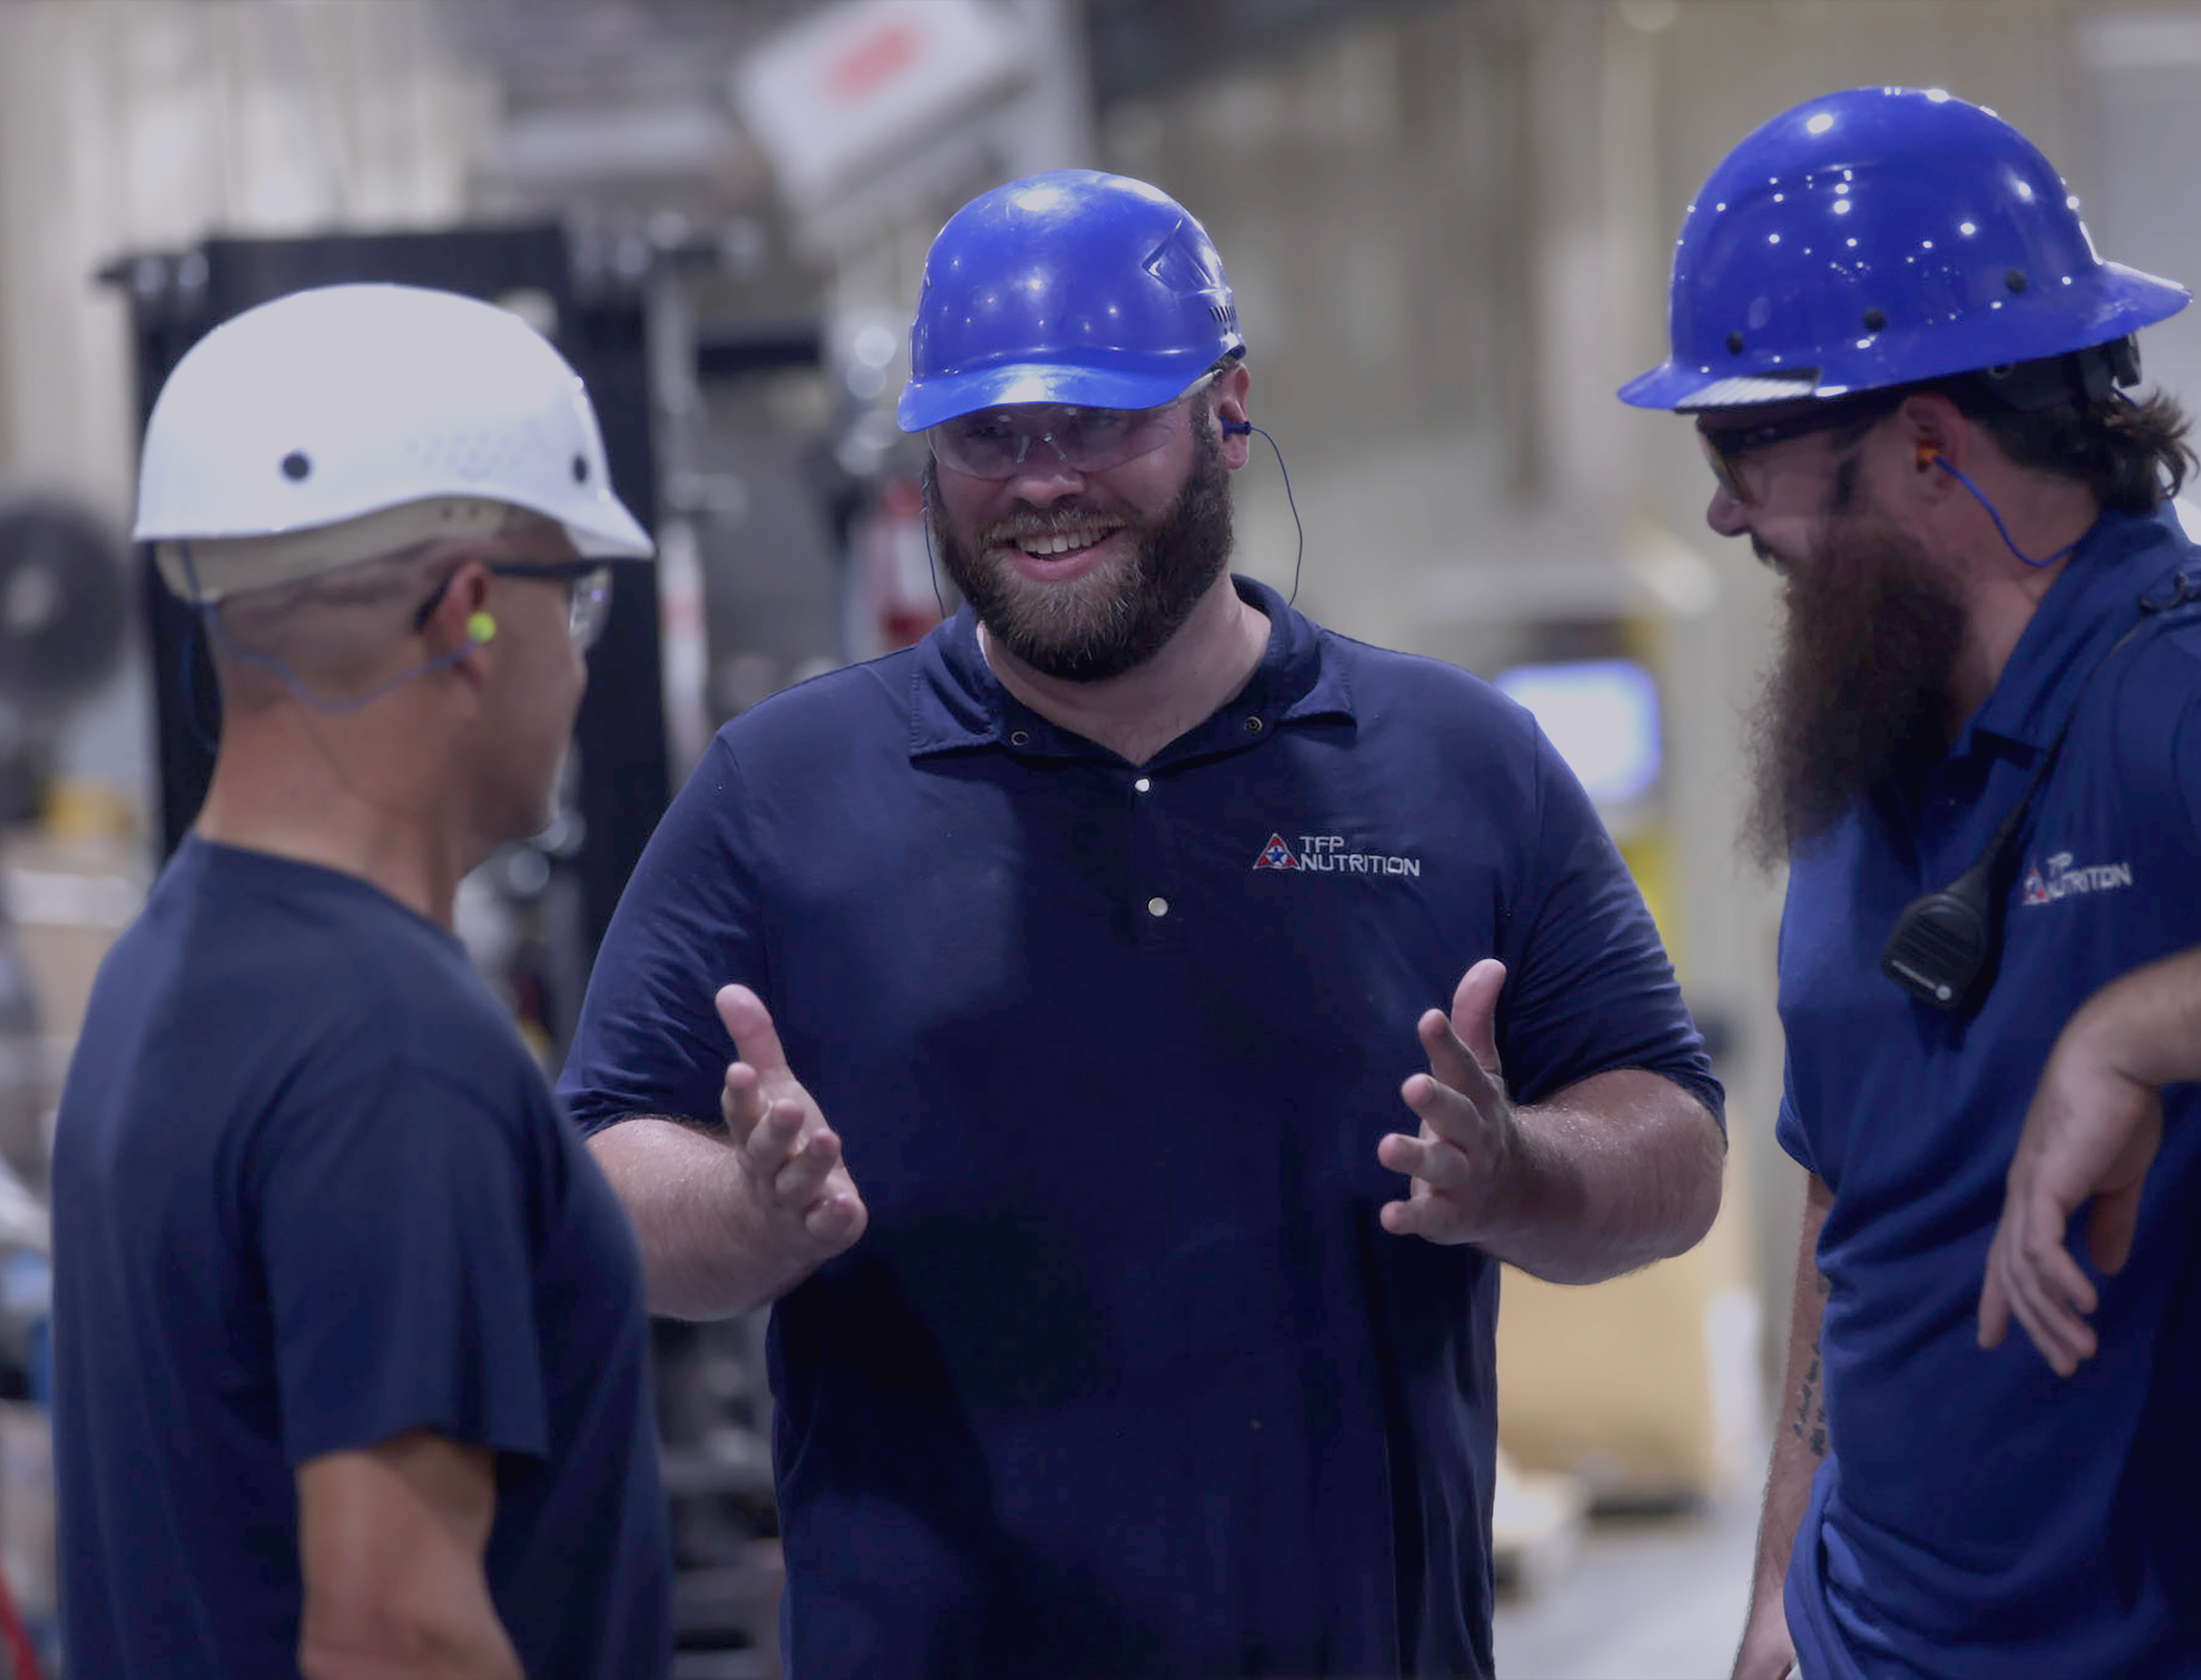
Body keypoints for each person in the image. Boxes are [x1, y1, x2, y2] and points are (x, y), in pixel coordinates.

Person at [560, 167, 1726, 1678]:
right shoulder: (784, 792)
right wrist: (752, 1218)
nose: (1041, 480)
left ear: (1228, 410)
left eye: (1100, 422)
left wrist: (1523, 1172)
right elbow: (599, 1170)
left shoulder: (1454, 766)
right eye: (988, 435)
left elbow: (1677, 1144)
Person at [1620, 85, 2201, 1680]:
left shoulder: (2198, 698)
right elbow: (1848, 1192)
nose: (1725, 506)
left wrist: (2140, 1027)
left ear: (1930, 439)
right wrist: (1774, 1598)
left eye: (1747, 446)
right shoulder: (1867, 720)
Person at [50, 283, 673, 1680]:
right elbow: (398, 1630)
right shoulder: (393, 1052)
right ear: (470, 616)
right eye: (567, 596)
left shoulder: (175, 961)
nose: (574, 659)